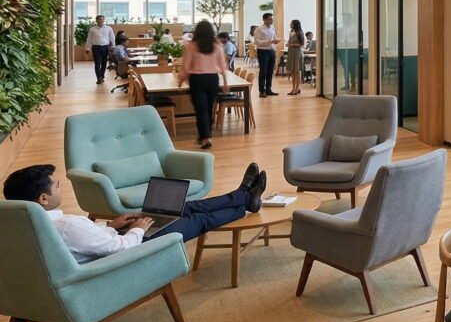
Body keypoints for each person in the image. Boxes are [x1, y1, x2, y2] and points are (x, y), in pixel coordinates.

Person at [3, 163, 268, 260]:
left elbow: (85, 244)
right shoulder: (68, 226)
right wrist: (138, 229)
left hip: (123, 235)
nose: (61, 187)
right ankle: (246, 201)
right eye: (57, 186)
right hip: (139, 245)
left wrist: (112, 225)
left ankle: (243, 194)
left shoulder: (26, 225)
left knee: (184, 207)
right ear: (44, 198)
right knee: (199, 218)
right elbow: (119, 250)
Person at [178, 20, 231, 150]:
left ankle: (205, 137)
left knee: (200, 110)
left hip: (197, 80)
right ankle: (205, 136)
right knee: (208, 108)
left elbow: (186, 66)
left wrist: (180, 80)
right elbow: (222, 66)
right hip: (213, 79)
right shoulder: (217, 45)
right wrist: (225, 82)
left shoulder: (191, 46)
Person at [253, 12, 279, 97]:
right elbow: (257, 41)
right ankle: (262, 91)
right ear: (264, 19)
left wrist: (275, 41)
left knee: (270, 71)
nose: (272, 20)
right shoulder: (259, 29)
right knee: (263, 71)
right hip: (263, 51)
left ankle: (268, 89)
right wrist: (269, 41)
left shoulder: (272, 28)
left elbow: (274, 38)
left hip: (271, 51)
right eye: (270, 19)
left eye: (272, 19)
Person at [85, 15, 115, 84]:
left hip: (105, 47)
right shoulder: (92, 29)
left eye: (102, 19)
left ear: (104, 20)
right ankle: (99, 78)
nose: (101, 21)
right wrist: (87, 48)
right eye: (99, 19)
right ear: (96, 20)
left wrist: (113, 46)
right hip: (96, 48)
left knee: (104, 63)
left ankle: (102, 76)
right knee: (97, 63)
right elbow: (89, 39)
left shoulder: (108, 28)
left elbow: (112, 37)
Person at [286, 19, 305, 95]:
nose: (290, 24)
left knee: (296, 72)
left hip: (297, 52)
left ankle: (297, 88)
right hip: (291, 52)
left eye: (291, 23)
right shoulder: (291, 32)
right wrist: (289, 44)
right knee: (292, 71)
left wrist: (292, 45)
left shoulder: (299, 33)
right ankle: (293, 88)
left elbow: (302, 44)